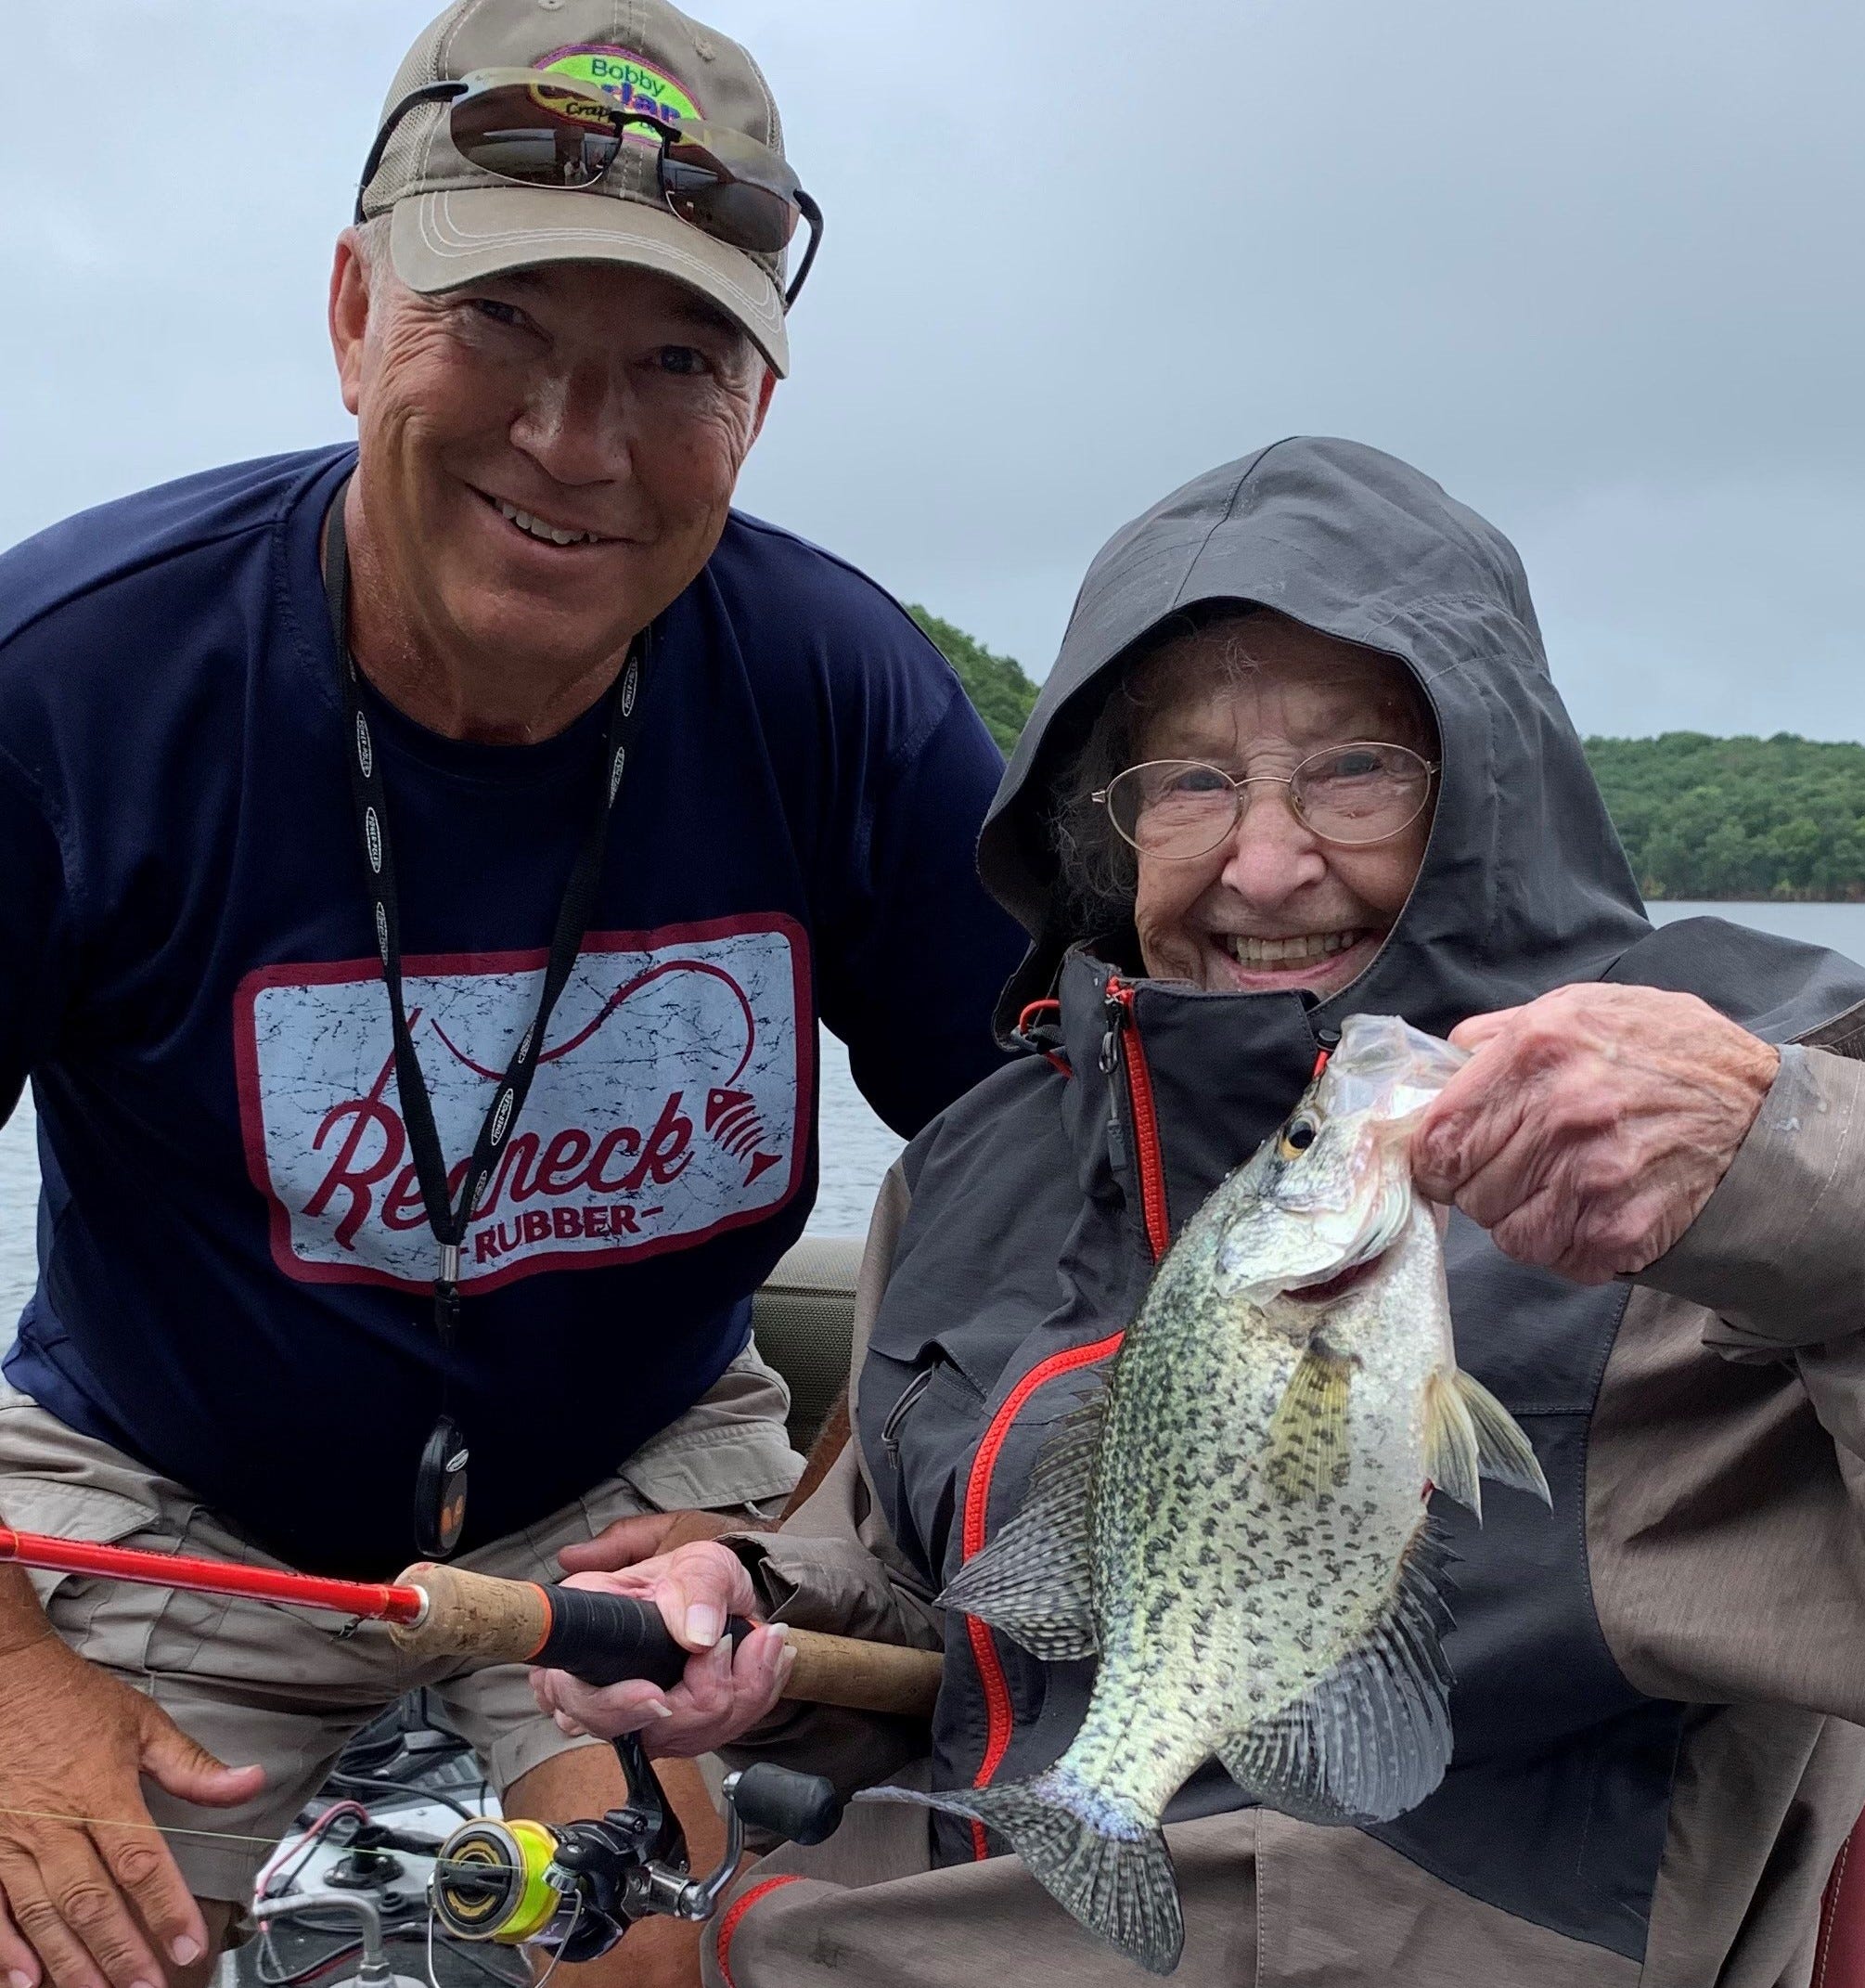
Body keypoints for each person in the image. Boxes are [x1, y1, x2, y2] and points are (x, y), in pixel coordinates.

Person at [538, 438, 1865, 1987]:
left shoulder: (1754, 1073)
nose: (1273, 860)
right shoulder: (979, 1159)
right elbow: (935, 1608)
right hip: (861, 1923)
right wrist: (751, 1618)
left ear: (1491, 779)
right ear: (1108, 824)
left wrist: (1770, 1160)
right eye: (1195, 781)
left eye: (1358, 767)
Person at [0, 5, 1024, 1986]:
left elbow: (1036, 1166)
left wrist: (804, 1533)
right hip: (161, 1481)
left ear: (757, 406)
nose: (578, 442)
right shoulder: (70, 687)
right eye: (502, 329)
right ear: (354, 305)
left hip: (635, 1487)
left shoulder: (838, 691)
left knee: (672, 1959)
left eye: (674, 363)